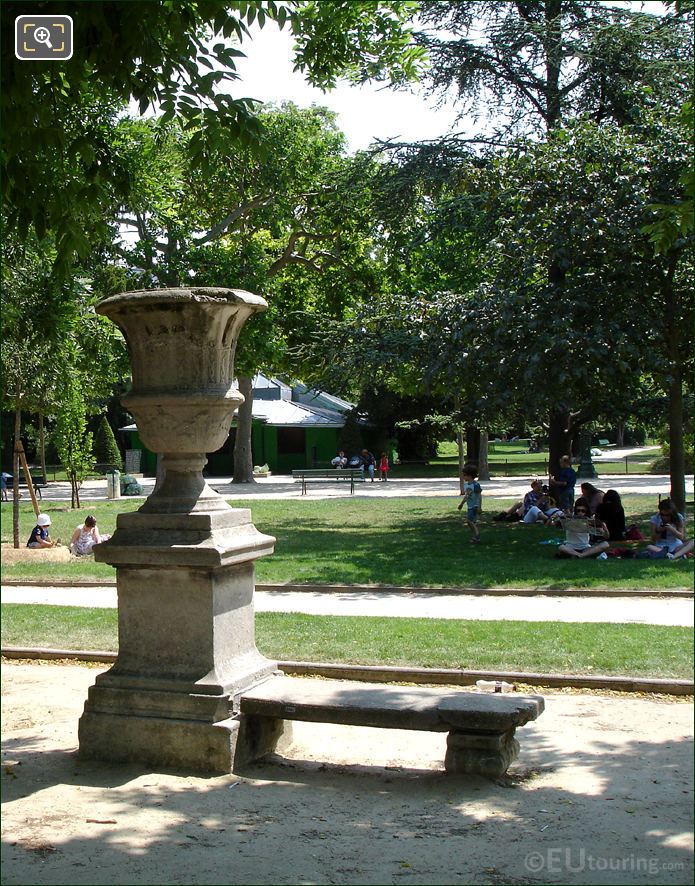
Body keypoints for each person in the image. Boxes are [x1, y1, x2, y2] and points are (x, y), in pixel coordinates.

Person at [457, 464, 482, 544]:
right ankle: (475, 537)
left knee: (469, 521)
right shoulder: (466, 485)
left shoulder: (476, 485)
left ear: (470, 476)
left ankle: (477, 535)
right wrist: (461, 504)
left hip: (474, 506)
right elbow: (467, 496)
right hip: (470, 506)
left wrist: (479, 506)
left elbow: (479, 496)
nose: (463, 477)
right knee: (472, 522)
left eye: (465, 475)